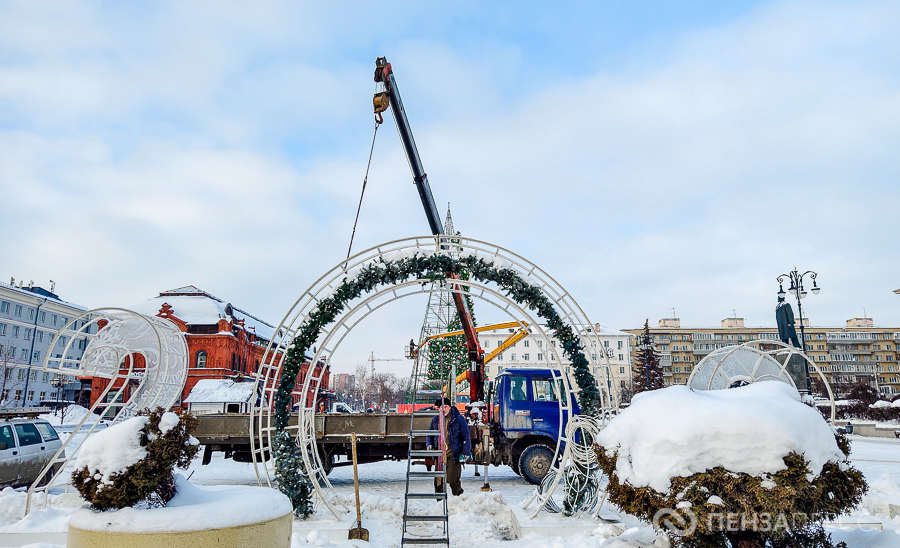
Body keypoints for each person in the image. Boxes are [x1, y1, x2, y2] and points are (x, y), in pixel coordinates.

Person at [426, 397, 471, 496]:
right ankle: (439, 500)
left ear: (450, 407)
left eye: (446, 406)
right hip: (439, 454)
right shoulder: (435, 419)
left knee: (452, 479)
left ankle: (459, 496)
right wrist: (429, 444)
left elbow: (466, 436)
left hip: (453, 454)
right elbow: (430, 434)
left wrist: (466, 452)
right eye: (441, 407)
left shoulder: (458, 419)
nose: (444, 409)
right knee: (438, 481)